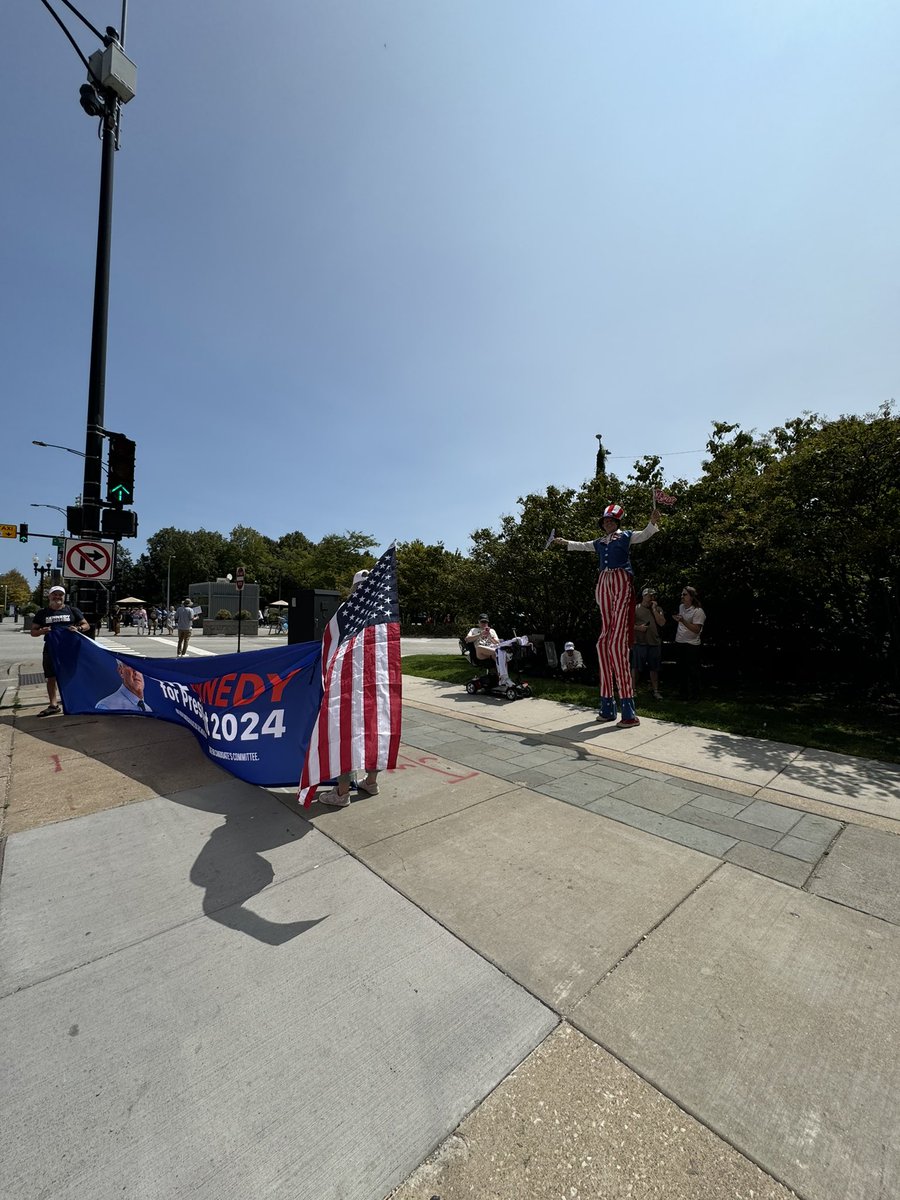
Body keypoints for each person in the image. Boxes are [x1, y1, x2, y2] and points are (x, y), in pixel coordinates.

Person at [554, 503, 660, 727]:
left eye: (610, 520)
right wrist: (564, 542)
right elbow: (582, 546)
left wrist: (652, 522)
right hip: (604, 580)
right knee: (603, 645)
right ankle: (607, 707)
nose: (607, 524)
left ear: (617, 522)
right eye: (605, 521)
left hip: (621, 578)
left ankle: (628, 711)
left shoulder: (626, 536)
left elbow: (644, 535)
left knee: (614, 647)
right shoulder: (600, 542)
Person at [319, 569, 381, 807]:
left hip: (348, 681)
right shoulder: (383, 611)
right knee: (374, 731)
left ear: (354, 588)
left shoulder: (345, 611)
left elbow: (331, 641)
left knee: (344, 734)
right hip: (376, 680)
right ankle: (371, 782)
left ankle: (342, 793)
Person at [30, 585, 89, 716]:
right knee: (51, 677)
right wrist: (42, 631)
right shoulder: (42, 613)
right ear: (49, 596)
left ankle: (74, 700)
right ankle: (53, 705)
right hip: (51, 649)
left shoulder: (72, 610)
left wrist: (78, 629)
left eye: (60, 595)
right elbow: (33, 632)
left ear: (64, 597)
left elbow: (86, 625)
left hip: (70, 649)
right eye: (54, 594)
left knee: (71, 675)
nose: (57, 597)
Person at [632, 587, 666, 699]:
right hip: (639, 642)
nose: (652, 598)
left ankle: (655, 690)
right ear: (644, 596)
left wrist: (654, 609)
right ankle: (633, 689)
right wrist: (638, 628)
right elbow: (626, 625)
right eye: (650, 596)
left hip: (654, 642)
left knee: (654, 668)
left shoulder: (658, 608)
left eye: (653, 596)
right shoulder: (635, 608)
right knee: (636, 667)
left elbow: (662, 623)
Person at [673, 586, 706, 699]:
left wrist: (683, 621)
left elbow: (696, 629)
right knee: (681, 669)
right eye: (682, 594)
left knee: (693, 671)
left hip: (692, 644)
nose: (682, 596)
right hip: (680, 642)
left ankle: (696, 695)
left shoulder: (698, 611)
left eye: (685, 594)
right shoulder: (681, 607)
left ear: (691, 597)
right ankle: (683, 693)